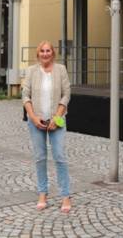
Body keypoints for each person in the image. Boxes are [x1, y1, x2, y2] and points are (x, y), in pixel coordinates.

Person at [22, 41, 72, 213]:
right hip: (36, 121)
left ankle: (65, 195)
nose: (45, 53)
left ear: (53, 53)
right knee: (40, 157)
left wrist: (57, 116)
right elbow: (25, 96)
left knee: (60, 156)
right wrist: (33, 117)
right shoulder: (31, 71)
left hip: (56, 120)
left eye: (48, 51)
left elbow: (66, 95)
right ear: (38, 54)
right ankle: (42, 193)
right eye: (42, 51)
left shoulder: (61, 69)